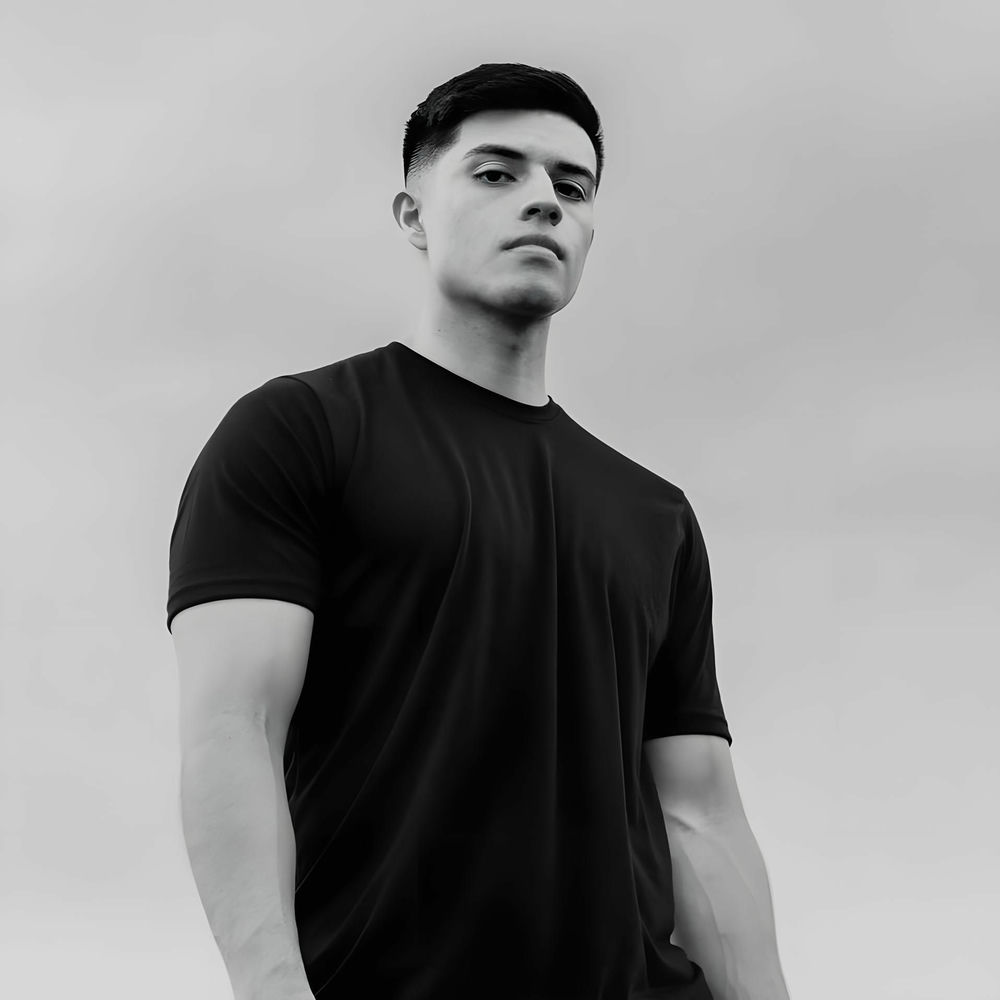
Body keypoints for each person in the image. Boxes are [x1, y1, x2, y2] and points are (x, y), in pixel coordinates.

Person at [168, 62, 790, 1000]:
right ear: (414, 215)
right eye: (497, 173)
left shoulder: (655, 515)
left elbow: (699, 812)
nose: (543, 201)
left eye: (571, 187)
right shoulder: (300, 432)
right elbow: (234, 730)